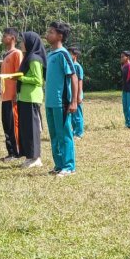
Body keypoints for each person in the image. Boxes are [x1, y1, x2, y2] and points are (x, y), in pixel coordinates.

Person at [44, 21, 79, 176]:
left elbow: (74, 77)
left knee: (64, 133)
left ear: (60, 36)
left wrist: (73, 101)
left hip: (61, 102)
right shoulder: (50, 54)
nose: (47, 34)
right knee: (54, 134)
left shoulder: (63, 54)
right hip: (50, 102)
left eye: (51, 32)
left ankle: (69, 166)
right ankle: (59, 164)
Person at [16, 32, 46, 169]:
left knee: (33, 129)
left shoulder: (34, 58)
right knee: (26, 129)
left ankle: (36, 158)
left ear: (30, 43)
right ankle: (29, 156)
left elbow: (38, 80)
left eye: (23, 41)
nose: (21, 43)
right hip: (24, 97)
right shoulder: (28, 57)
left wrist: (20, 78)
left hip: (32, 98)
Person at [0, 27, 23, 161]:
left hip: (12, 96)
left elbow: (19, 75)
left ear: (12, 38)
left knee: (13, 124)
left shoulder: (17, 53)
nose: (3, 38)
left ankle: (16, 152)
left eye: (5, 35)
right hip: (5, 96)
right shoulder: (7, 54)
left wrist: (16, 94)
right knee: (6, 124)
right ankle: (10, 152)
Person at [69, 46, 85, 139]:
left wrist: (79, 96)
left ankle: (79, 133)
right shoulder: (69, 66)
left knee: (78, 115)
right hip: (70, 94)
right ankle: (74, 131)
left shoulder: (77, 66)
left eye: (70, 53)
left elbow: (80, 81)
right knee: (72, 115)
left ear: (75, 55)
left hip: (77, 95)